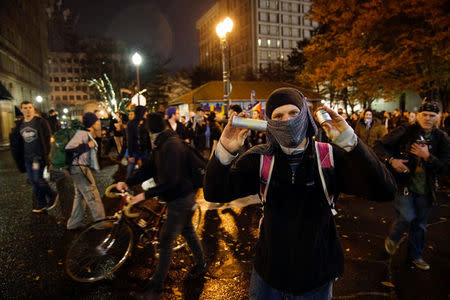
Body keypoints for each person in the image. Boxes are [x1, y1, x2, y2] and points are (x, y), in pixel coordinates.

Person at [203, 88, 396, 299]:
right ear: (270, 123)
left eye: (293, 113)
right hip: (268, 275)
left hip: (316, 278)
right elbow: (214, 193)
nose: (287, 121)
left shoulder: (329, 157)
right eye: (278, 116)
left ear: (305, 115)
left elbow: (385, 190)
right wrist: (224, 150)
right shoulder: (259, 159)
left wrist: (351, 142)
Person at [117, 113, 205, 299]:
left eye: (147, 131)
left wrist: (145, 194)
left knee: (166, 242)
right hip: (181, 197)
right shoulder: (162, 144)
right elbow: (148, 168)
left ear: (151, 131)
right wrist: (128, 181)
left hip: (181, 198)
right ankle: (202, 264)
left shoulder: (171, 146)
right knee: (188, 231)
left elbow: (172, 180)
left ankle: (154, 291)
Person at [374, 98, 449, 271]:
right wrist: (392, 160)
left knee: (420, 225)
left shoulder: (442, 138)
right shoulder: (405, 131)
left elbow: (445, 166)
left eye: (432, 115)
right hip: (405, 184)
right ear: (418, 115)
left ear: (438, 117)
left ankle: (414, 257)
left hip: (427, 189)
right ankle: (393, 237)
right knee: (406, 217)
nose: (428, 118)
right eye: (425, 114)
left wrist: (427, 157)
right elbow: (379, 145)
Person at [10, 101, 58, 213]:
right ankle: (41, 204)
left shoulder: (40, 122)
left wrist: (46, 154)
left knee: (37, 178)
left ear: (33, 109)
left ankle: (53, 195)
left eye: (30, 107)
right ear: (21, 110)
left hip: (37, 157)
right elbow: (17, 141)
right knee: (33, 180)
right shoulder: (20, 124)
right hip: (27, 158)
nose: (27, 110)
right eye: (25, 108)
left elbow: (47, 137)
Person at [65, 112, 106, 230]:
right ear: (92, 123)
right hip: (79, 168)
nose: (99, 123)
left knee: (80, 196)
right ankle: (101, 222)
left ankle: (73, 224)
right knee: (93, 194)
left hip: (79, 168)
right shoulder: (82, 133)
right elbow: (69, 149)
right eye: (97, 121)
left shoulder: (86, 133)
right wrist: (88, 145)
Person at [126, 105, 151, 177]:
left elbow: (148, 137)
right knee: (130, 169)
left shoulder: (147, 122)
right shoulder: (131, 124)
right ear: (140, 112)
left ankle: (144, 184)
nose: (146, 113)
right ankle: (127, 183)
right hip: (134, 151)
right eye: (145, 112)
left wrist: (150, 150)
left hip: (145, 151)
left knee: (146, 169)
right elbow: (130, 139)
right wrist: (130, 155)